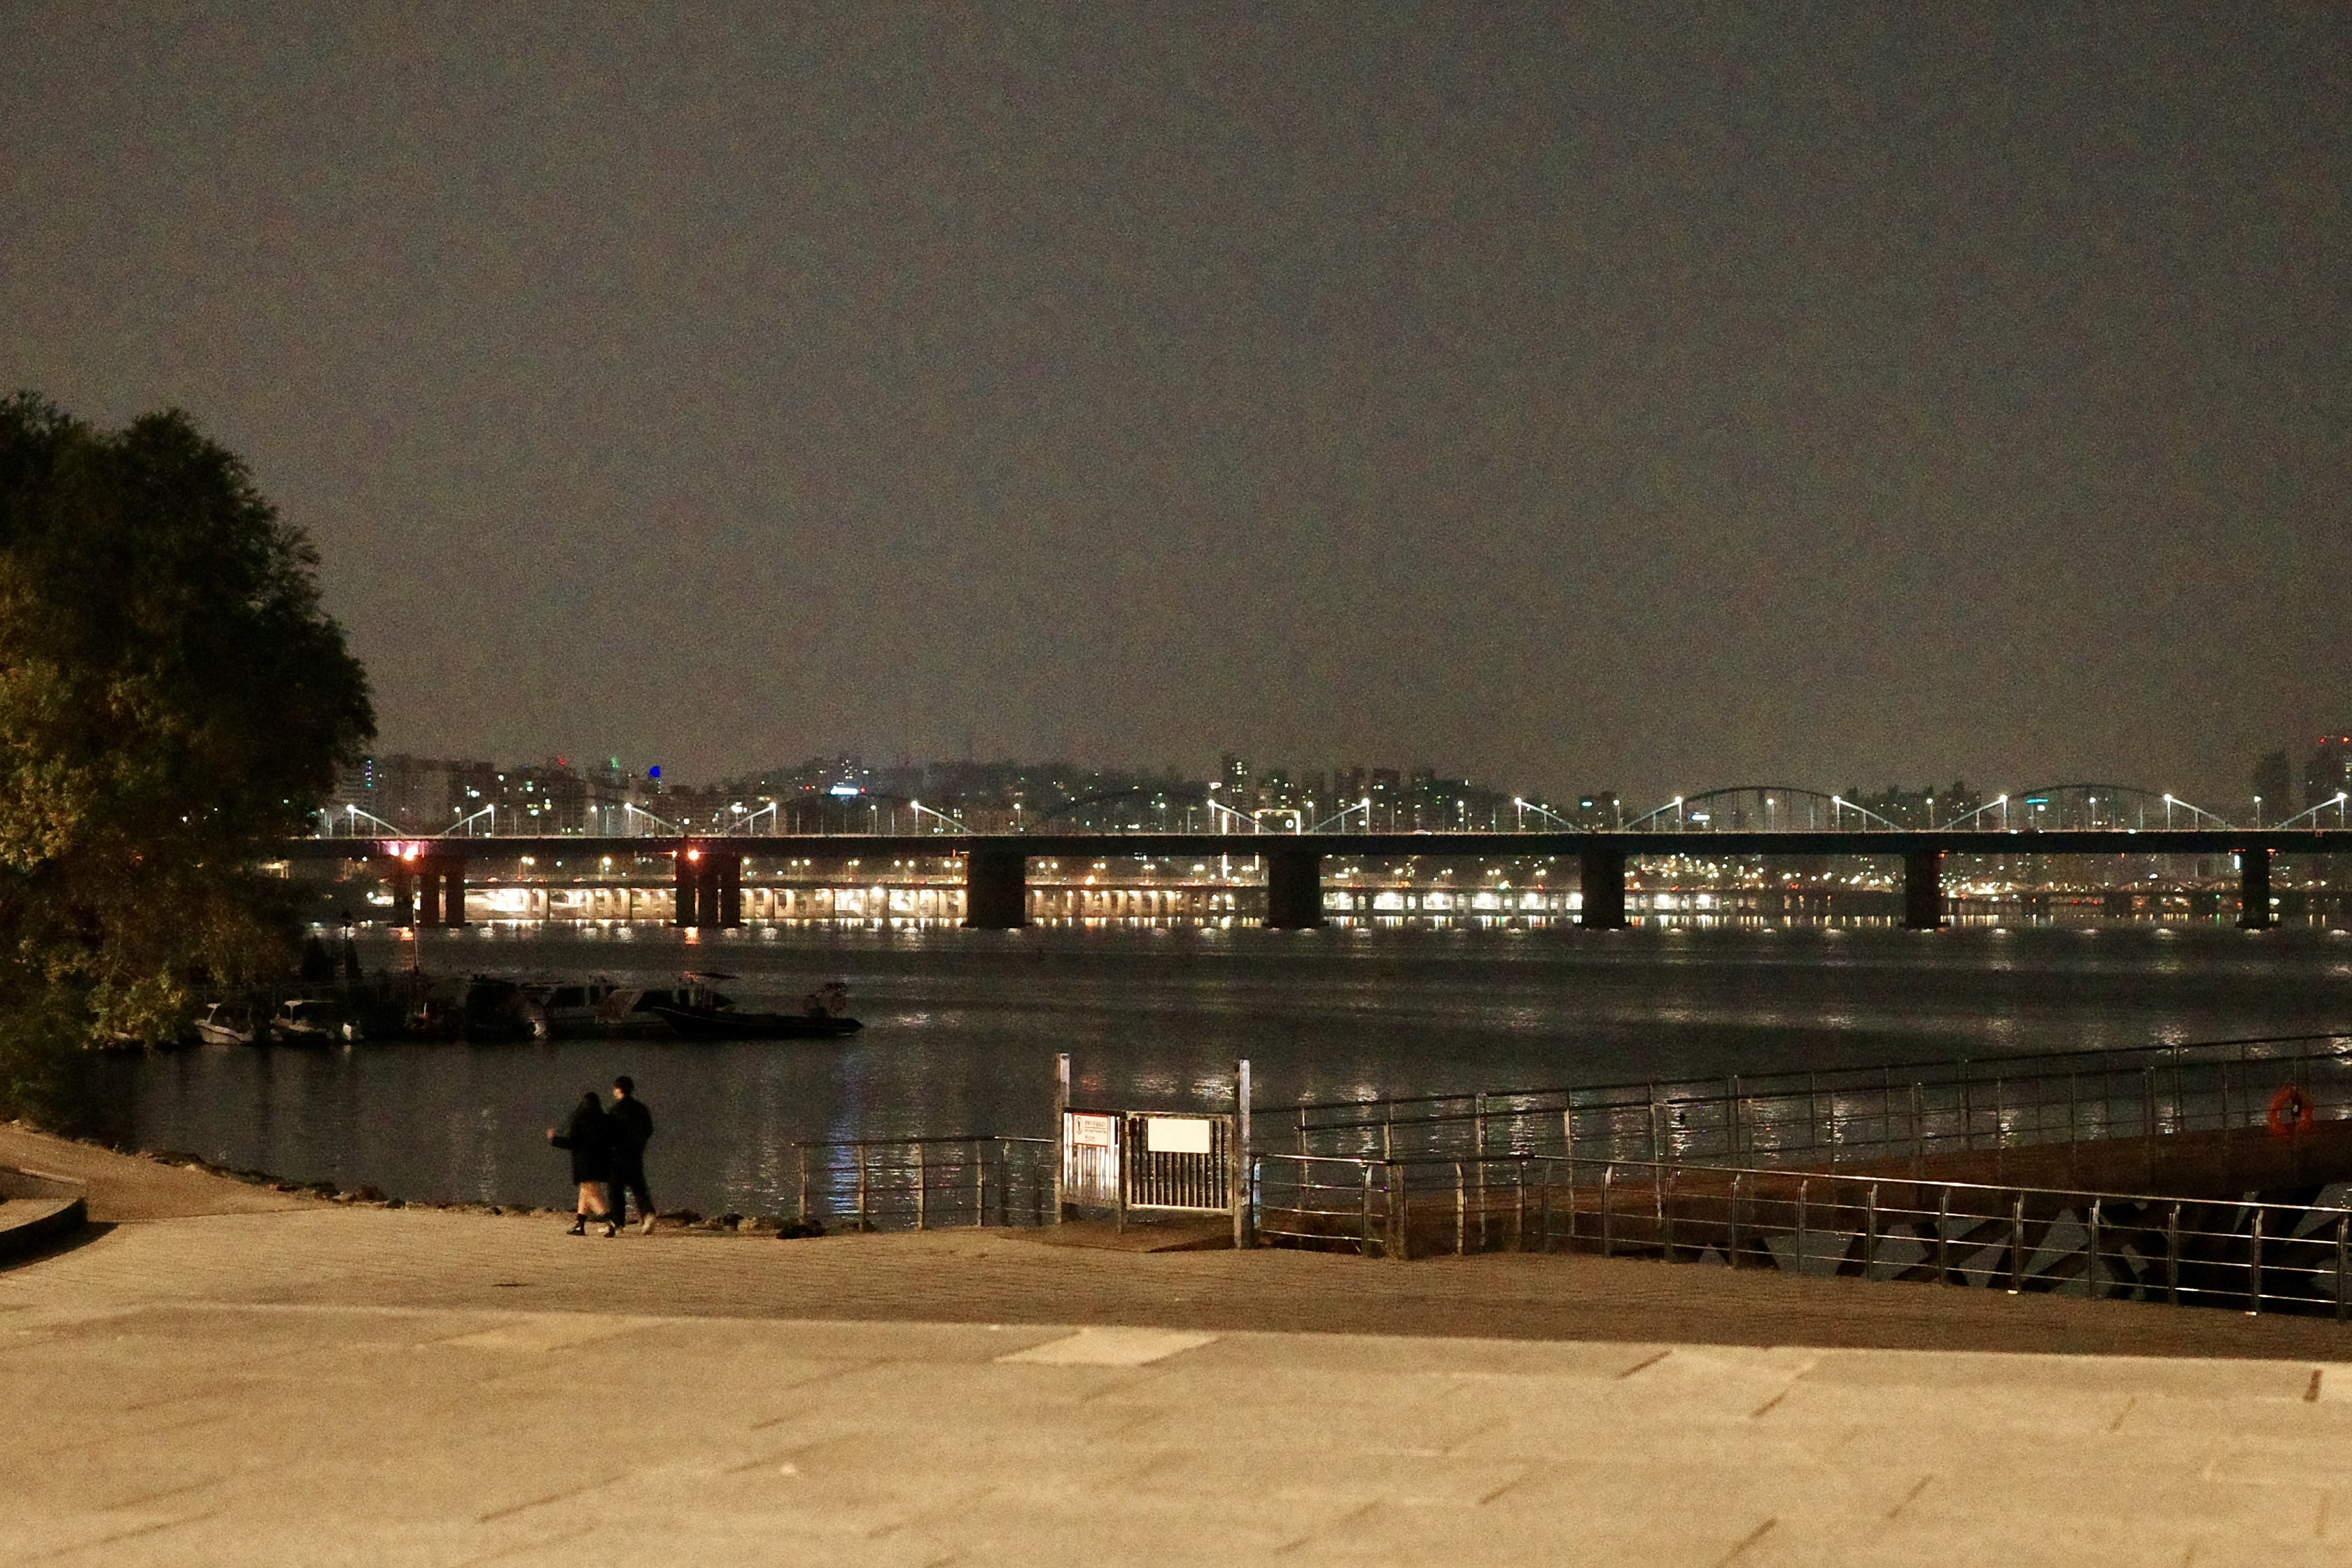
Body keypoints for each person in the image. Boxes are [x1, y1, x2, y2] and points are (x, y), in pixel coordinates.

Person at [546, 1091, 615, 1236]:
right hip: (601, 1162)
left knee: (590, 1194)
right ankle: (579, 1225)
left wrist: (555, 1139)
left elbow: (573, 1143)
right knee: (585, 1193)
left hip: (585, 1163)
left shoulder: (580, 1120)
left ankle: (609, 1220)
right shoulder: (605, 1120)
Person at [606, 1075, 656, 1236]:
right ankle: (648, 1214)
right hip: (636, 1154)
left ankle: (618, 1223)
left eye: (615, 1089)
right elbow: (649, 1129)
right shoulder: (641, 1109)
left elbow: (609, 1133)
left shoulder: (615, 1110)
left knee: (616, 1190)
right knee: (639, 1187)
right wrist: (640, 1144)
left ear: (619, 1090)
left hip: (618, 1155)